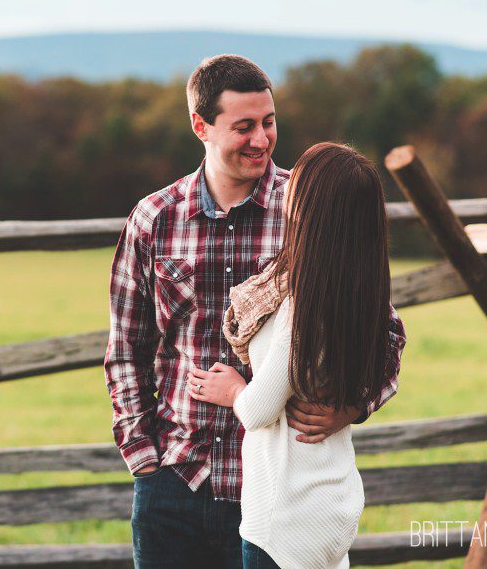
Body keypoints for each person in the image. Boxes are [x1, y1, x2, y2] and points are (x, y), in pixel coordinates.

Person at [104, 55, 407, 569]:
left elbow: (385, 336)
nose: (262, 140)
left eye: (269, 123)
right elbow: (127, 349)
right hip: (177, 481)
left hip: (274, 492)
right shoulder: (155, 219)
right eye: (243, 127)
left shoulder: (309, 210)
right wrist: (145, 461)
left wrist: (354, 405)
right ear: (201, 126)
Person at [188, 142, 404, 568]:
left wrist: (233, 390)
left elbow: (258, 410)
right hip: (333, 498)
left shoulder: (301, 307)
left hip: (285, 515)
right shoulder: (360, 295)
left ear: (310, 209)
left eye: (297, 184)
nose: (285, 189)